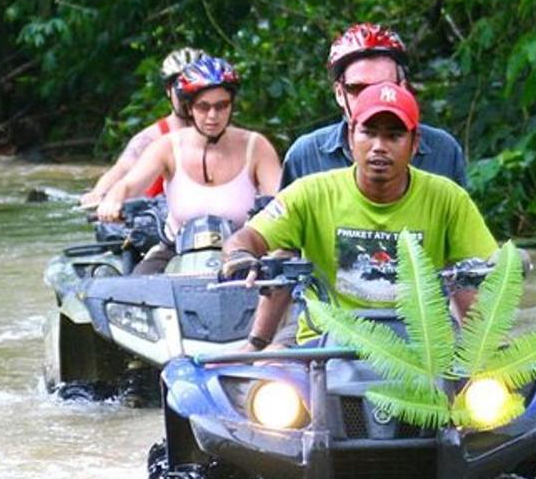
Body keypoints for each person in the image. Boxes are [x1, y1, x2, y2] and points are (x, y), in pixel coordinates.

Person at [222, 82, 497, 348]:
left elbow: (487, 268)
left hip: (425, 352)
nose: (380, 146)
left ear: (414, 144)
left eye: (394, 135)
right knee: (268, 371)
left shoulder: (448, 199)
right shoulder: (310, 193)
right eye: (369, 132)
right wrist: (240, 256)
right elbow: (248, 237)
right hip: (324, 348)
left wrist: (507, 265)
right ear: (351, 136)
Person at [97, 55, 282, 274]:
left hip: (244, 252)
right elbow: (129, 184)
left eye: (222, 106)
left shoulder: (256, 146)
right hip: (174, 250)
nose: (213, 116)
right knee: (131, 295)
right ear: (189, 108)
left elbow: (282, 201)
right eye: (203, 107)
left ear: (232, 105)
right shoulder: (166, 147)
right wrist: (113, 200)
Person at [280, 23, 467, 188]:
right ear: (339, 93)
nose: (370, 98)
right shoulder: (306, 155)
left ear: (403, 88)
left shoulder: (442, 150)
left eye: (382, 87)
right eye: (358, 88)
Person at [79, 47, 205, 208]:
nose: (190, 95)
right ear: (168, 91)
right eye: (182, 88)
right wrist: (99, 192)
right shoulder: (151, 137)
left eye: (197, 88)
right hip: (159, 220)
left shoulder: (226, 134)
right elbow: (123, 168)